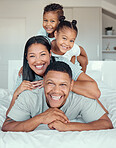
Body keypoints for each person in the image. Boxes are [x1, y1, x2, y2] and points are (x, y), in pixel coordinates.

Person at [2, 61, 113, 132]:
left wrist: (68, 127)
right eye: (50, 83)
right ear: (43, 81)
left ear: (71, 85)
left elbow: (106, 123)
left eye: (63, 84)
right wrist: (41, 118)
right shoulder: (29, 96)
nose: (56, 91)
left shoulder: (80, 97)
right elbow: (7, 126)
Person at [37, 3, 88, 72]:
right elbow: (33, 48)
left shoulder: (64, 36)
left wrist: (77, 60)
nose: (48, 24)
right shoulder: (42, 34)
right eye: (45, 20)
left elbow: (80, 51)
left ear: (59, 22)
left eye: (52, 21)